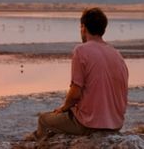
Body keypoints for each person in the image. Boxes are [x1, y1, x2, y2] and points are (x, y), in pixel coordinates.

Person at [31, 7, 129, 140]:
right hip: (116, 123)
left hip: (89, 123)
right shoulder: (117, 54)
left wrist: (64, 107)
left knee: (44, 119)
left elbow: (75, 93)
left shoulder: (81, 50)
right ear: (103, 29)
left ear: (83, 27)